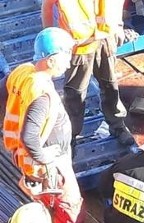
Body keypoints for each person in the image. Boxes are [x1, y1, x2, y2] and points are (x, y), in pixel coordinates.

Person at [1, 27, 110, 223]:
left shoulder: (22, 73)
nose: (69, 61)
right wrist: (50, 160)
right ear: (50, 59)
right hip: (50, 168)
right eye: (65, 55)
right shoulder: (41, 93)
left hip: (30, 168)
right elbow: (29, 136)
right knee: (72, 217)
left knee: (47, 212)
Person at [41, 0, 135, 146]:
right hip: (78, 46)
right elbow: (47, 7)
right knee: (75, 94)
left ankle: (118, 126)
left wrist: (118, 26)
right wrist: (52, 39)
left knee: (110, 86)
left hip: (104, 38)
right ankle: (69, 136)